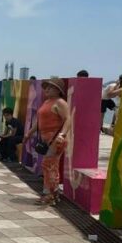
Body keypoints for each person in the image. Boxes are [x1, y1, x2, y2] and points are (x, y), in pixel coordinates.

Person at [31, 77, 72, 206]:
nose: (47, 89)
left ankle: (49, 194)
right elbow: (39, 121)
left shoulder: (60, 102)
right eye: (46, 87)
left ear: (58, 90)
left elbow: (68, 119)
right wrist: (29, 133)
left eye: (50, 87)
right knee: (49, 166)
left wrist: (62, 135)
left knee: (48, 165)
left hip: (55, 140)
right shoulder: (47, 102)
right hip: (46, 140)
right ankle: (53, 193)